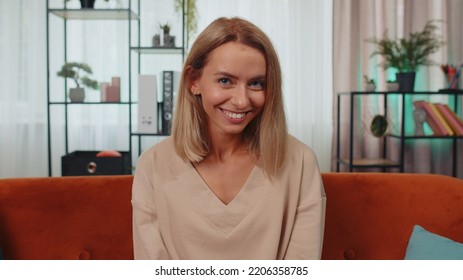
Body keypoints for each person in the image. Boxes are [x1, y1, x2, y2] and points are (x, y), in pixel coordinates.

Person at [131, 17, 326, 260]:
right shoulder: (152, 165)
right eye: (225, 81)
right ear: (194, 81)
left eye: (256, 83)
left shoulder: (301, 162)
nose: (242, 101)